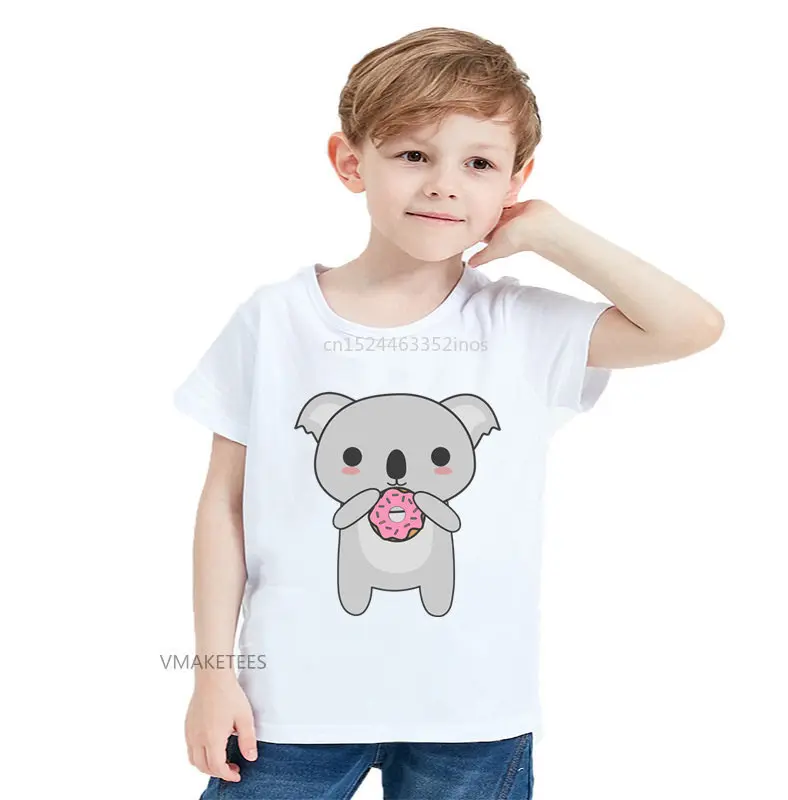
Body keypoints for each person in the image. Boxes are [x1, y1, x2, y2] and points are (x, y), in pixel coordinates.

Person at [172, 26, 724, 800]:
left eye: (479, 164)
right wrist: (211, 674)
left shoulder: (522, 326)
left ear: (515, 180)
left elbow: (691, 327)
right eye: (413, 155)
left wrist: (552, 232)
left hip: (473, 711)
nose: (443, 185)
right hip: (288, 704)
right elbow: (222, 507)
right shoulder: (274, 321)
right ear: (349, 162)